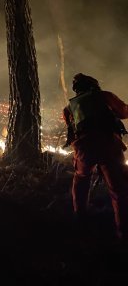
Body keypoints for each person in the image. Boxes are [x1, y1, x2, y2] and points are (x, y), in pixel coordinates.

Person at [62, 73, 128, 241]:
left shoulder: (69, 108)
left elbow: (72, 128)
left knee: (81, 180)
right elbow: (124, 112)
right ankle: (123, 232)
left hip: (84, 149)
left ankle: (80, 219)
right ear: (94, 84)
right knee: (118, 190)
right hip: (108, 145)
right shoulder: (105, 96)